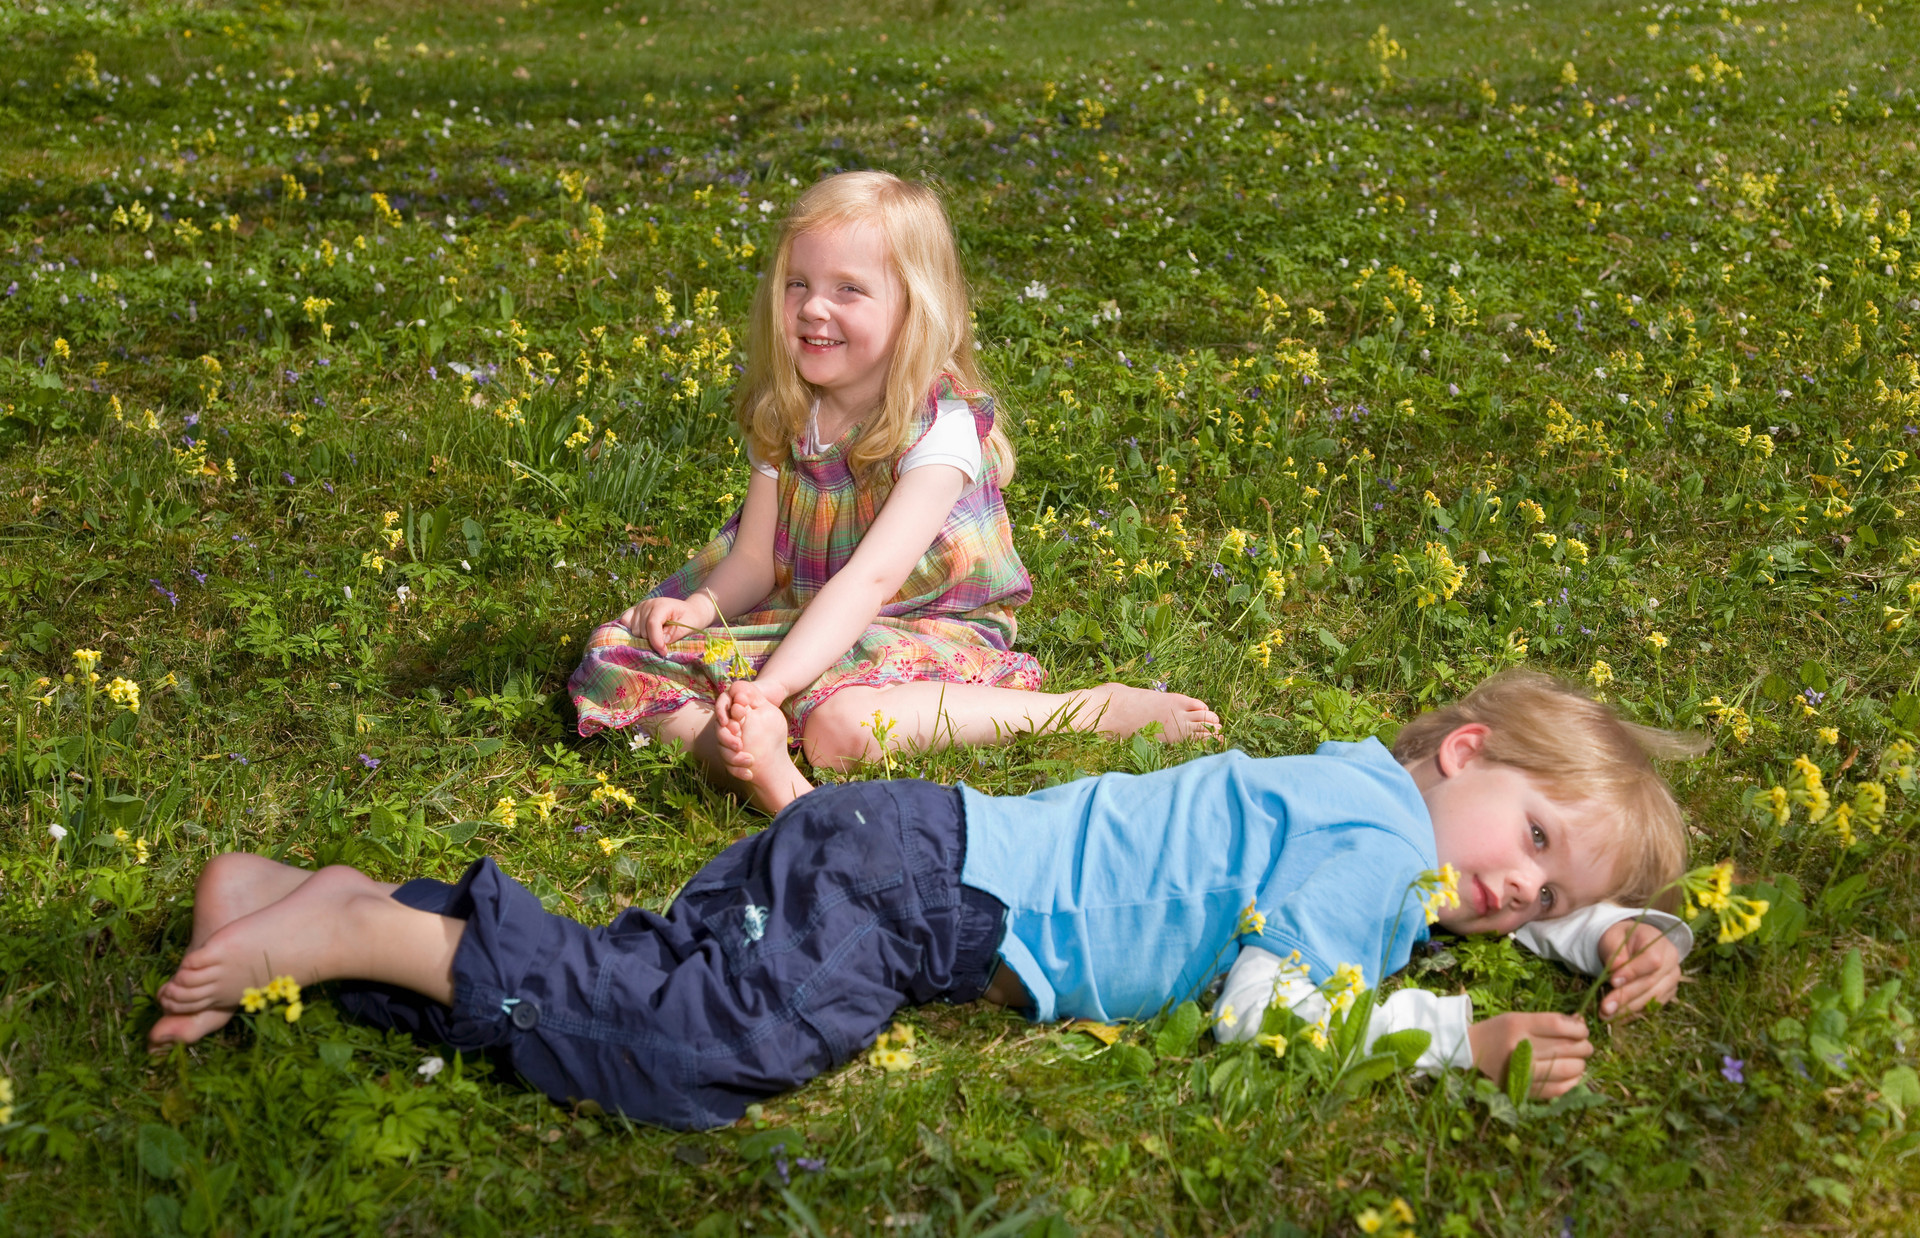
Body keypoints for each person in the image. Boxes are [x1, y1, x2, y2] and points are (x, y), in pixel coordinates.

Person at [148, 671, 1699, 1129]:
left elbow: (1459, 883)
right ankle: (391, 935)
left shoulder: (1373, 791)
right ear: (1471, 751)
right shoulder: (1373, 862)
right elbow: (1272, 1006)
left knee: (665, 973)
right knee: (701, 1051)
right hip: (921, 906)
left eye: (1547, 891)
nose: (1514, 886)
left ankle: (313, 907)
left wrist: (1614, 931)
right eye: (1540, 837)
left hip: (900, 844)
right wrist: (1455, 1039)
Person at [567, 171, 1217, 815]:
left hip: (930, 631)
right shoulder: (788, 412)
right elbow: (755, 560)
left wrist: (770, 687)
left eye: (849, 289)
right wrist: (703, 607)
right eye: (799, 283)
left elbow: (871, 582)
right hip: (812, 623)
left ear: (914, 306)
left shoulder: (940, 425)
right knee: (613, 653)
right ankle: (752, 756)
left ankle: (1087, 712)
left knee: (842, 727)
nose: (814, 307)